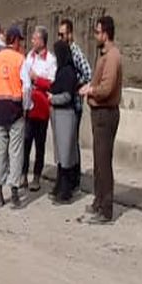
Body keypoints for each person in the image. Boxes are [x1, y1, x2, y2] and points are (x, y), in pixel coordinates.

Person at [79, 16, 122, 224]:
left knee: (104, 162)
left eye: (97, 32)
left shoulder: (112, 56)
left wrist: (91, 89)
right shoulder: (104, 55)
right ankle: (98, 201)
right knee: (98, 160)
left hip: (106, 113)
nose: (95, 35)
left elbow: (106, 88)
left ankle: (106, 209)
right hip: (99, 113)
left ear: (105, 33)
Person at [0, 26, 26, 209]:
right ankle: (14, 191)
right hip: (15, 109)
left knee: (0, 151)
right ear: (16, 40)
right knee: (15, 152)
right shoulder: (20, 59)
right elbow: (26, 87)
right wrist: (26, 107)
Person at [58, 19, 92, 193]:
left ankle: (74, 179)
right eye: (59, 34)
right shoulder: (63, 52)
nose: (61, 37)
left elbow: (88, 72)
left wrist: (75, 84)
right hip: (65, 105)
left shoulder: (75, 52)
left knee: (72, 142)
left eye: (63, 34)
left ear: (70, 34)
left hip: (75, 104)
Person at [20, 26, 56, 192]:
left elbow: (51, 83)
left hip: (42, 108)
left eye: (35, 39)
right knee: (25, 142)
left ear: (42, 41)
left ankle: (36, 176)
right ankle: (23, 174)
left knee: (39, 145)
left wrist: (37, 79)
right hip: (29, 106)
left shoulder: (50, 60)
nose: (32, 41)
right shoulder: (29, 56)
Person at [49, 40, 81, 203]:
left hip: (66, 116)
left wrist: (52, 98)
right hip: (58, 116)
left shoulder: (68, 72)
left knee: (66, 154)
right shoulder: (61, 71)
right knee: (61, 155)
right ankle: (59, 185)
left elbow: (67, 95)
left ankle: (66, 190)